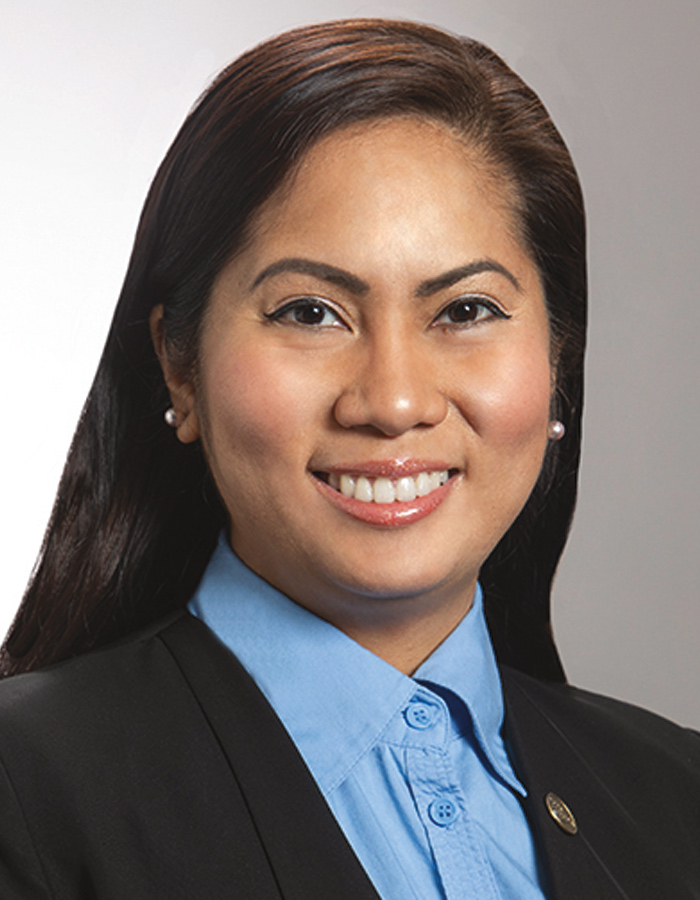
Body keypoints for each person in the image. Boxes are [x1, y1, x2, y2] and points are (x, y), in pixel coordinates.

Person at [0, 18, 698, 900]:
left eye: (467, 310)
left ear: (558, 358)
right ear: (180, 362)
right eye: (309, 312)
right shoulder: (26, 795)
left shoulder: (678, 798)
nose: (394, 402)